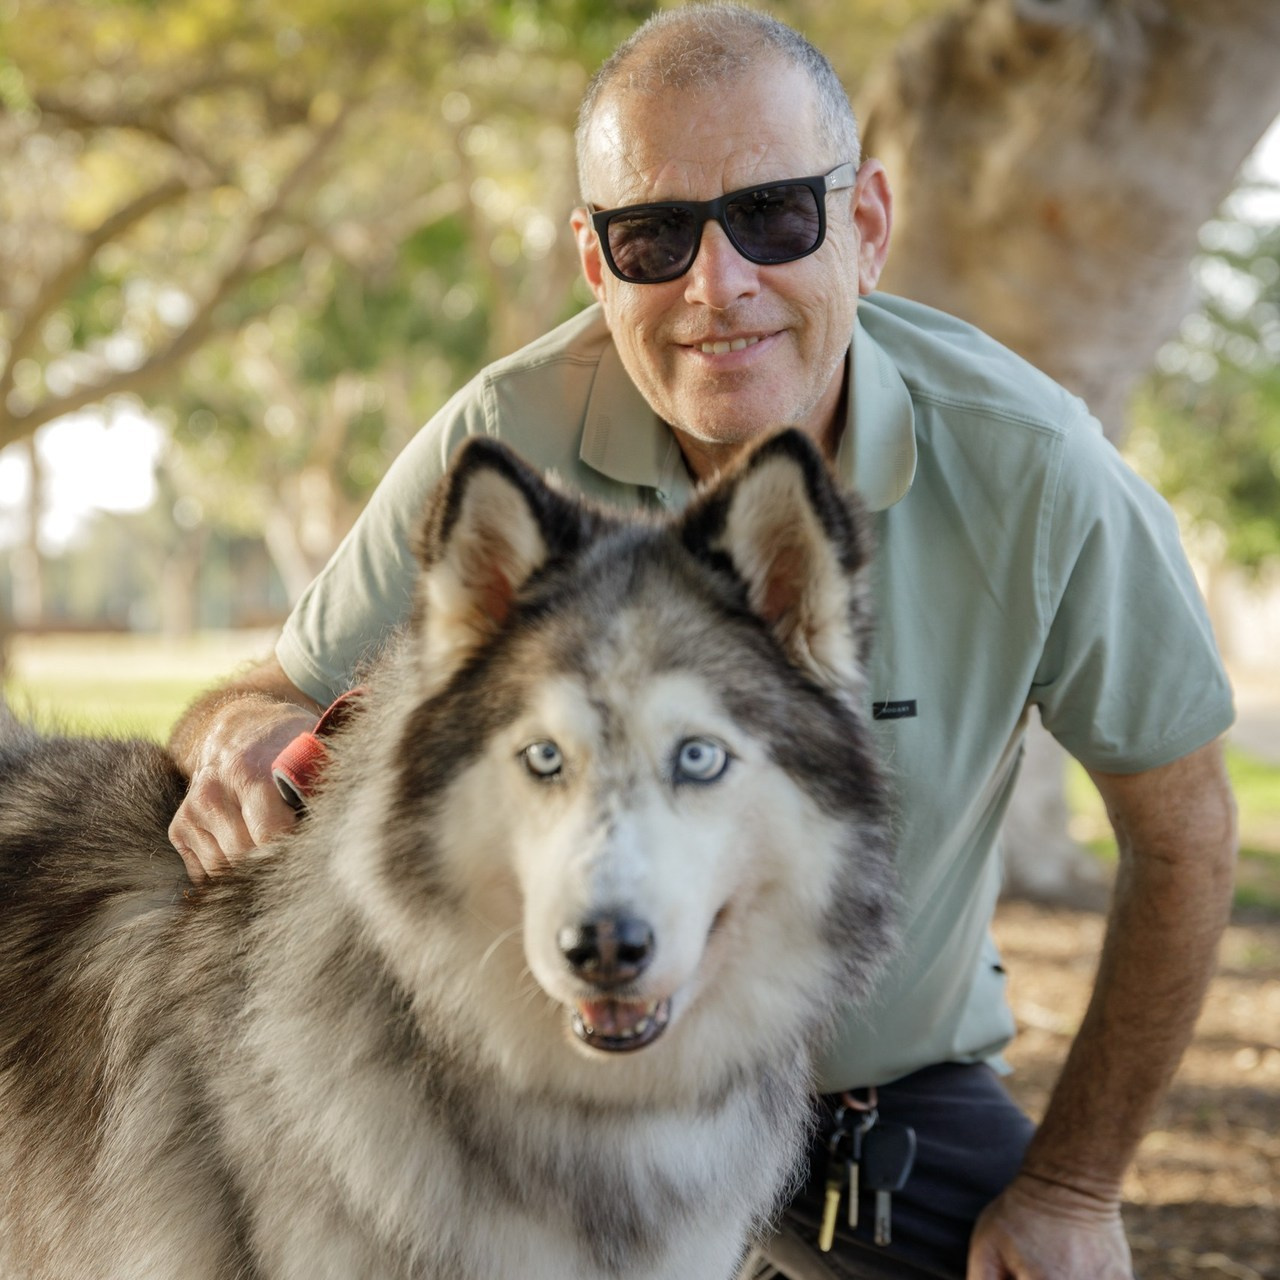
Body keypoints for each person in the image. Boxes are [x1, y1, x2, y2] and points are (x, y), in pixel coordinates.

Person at [167, 6, 1238, 1278]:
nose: (713, 286)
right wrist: (236, 734)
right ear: (594, 261)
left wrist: (1069, 1186)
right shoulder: (500, 435)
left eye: (774, 215)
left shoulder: (1036, 468)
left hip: (865, 1098)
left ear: (867, 227)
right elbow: (266, 690)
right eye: (653, 233)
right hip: (523, 1084)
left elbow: (1181, 830)